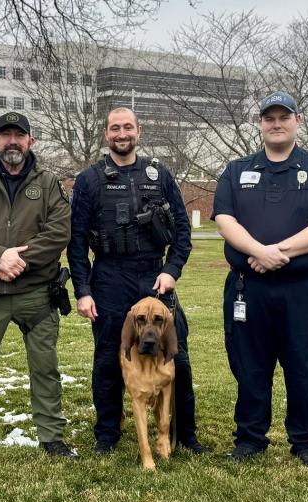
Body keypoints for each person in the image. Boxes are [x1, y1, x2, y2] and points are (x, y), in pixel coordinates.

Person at [211, 92, 308, 468]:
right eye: (268, 117)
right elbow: (225, 221)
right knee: (249, 365)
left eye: (284, 117)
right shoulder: (235, 170)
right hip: (249, 287)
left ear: (298, 121)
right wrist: (257, 252)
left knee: (303, 364)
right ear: (259, 124)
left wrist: (279, 252)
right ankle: (249, 439)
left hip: (305, 288)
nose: (276, 123)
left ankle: (307, 442)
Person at [68, 107, 203, 456]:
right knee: (109, 357)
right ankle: (107, 434)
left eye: (128, 127)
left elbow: (183, 233)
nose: (121, 134)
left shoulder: (160, 175)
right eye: (115, 128)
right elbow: (77, 241)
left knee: (177, 355)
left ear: (138, 131)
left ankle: (185, 433)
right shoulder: (90, 180)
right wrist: (83, 291)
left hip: (154, 276)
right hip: (110, 277)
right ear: (106, 134)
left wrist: (171, 271)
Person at [0, 111, 77, 473]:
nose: (12, 142)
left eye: (19, 135)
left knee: (46, 367)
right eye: (5, 135)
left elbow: (58, 231)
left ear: (30, 142)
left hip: (36, 292)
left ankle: (51, 435)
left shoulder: (49, 183)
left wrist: (21, 260)